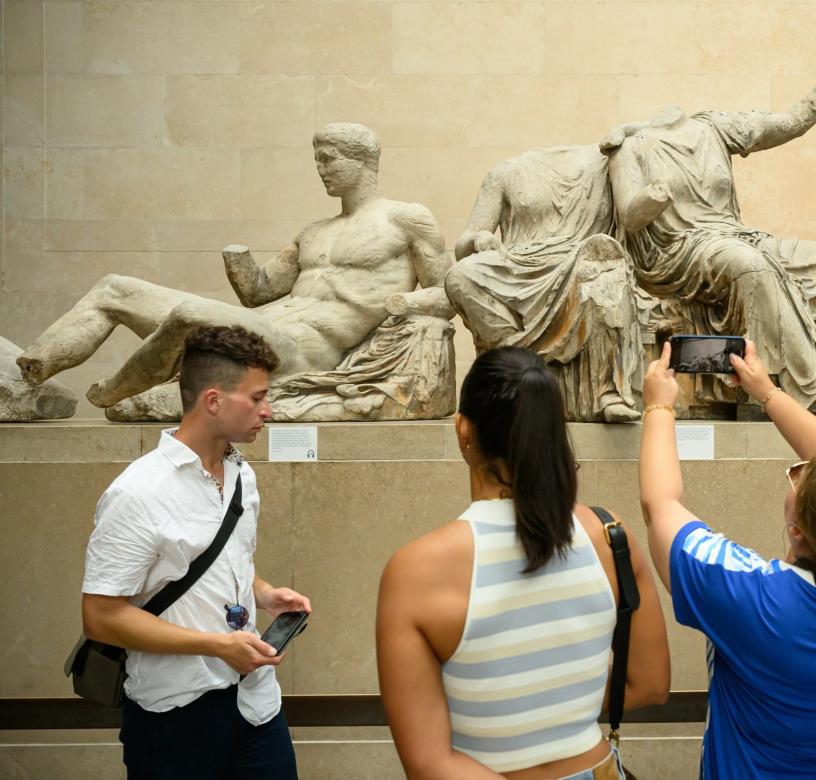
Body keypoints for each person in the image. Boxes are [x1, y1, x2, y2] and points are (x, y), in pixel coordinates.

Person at [639, 340, 816, 778]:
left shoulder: (755, 600)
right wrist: (766, 391)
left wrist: (659, 407)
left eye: (801, 477)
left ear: (798, 530)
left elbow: (660, 505)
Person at [376, 346, 670, 779]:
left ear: (464, 431)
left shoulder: (414, 571)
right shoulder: (610, 535)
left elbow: (429, 763)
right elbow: (649, 684)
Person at [17, 123, 452, 409]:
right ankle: (30, 370)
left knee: (190, 316)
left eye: (328, 158)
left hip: (307, 349)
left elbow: (445, 295)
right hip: (259, 324)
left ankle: (113, 393)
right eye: (316, 158)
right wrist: (237, 256)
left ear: (362, 161)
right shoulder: (314, 232)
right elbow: (258, 292)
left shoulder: (406, 218)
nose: (319, 169)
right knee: (115, 288)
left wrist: (401, 304)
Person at [80, 325, 312, 779]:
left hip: (257, 705)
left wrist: (262, 593)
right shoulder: (138, 492)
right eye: (257, 397)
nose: (269, 410)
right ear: (213, 401)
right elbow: (101, 616)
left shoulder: (242, 475)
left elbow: (218, 560)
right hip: (174, 715)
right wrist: (217, 646)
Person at [603, 85, 816, 416]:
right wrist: (654, 195)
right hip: (679, 248)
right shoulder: (629, 148)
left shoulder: (712, 128)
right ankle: (812, 389)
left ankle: (776, 370)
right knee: (752, 267)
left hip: (736, 235)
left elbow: (784, 124)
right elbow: (629, 215)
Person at [446, 145, 644, 422]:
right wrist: (479, 240)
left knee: (607, 272)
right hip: (517, 266)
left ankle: (607, 391)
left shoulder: (609, 166)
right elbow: (465, 242)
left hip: (579, 262)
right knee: (460, 276)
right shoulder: (505, 173)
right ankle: (514, 357)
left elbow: (634, 215)